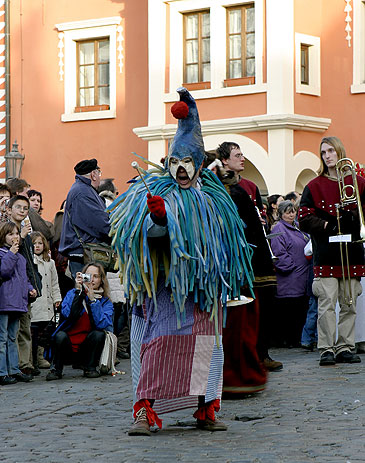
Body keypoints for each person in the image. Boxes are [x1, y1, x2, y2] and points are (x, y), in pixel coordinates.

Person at [109, 87, 254, 436]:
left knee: (207, 349)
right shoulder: (159, 194)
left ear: (199, 165)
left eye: (186, 162)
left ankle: (206, 409)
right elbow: (142, 238)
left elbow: (224, 242)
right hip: (163, 293)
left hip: (202, 294)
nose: (180, 170)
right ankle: (145, 411)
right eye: (174, 163)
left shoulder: (214, 201)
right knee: (157, 347)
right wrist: (159, 223)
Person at [299, 136, 365, 366]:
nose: (327, 156)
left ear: (339, 151)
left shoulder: (357, 182)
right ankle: (326, 348)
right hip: (326, 251)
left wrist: (353, 217)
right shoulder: (314, 185)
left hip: (352, 251)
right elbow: (304, 218)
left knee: (349, 303)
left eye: (330, 151)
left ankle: (346, 346)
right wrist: (328, 225)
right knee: (327, 303)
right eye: (323, 152)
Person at [216, 142, 282, 372]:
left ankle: (262, 353)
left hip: (259, 250)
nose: (242, 159)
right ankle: (248, 355)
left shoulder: (251, 186)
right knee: (245, 308)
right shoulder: (219, 185)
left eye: (242, 154)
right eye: (237, 155)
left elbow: (257, 216)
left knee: (265, 304)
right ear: (224, 160)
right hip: (240, 257)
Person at [46, 262, 113, 381]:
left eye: (96, 276)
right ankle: (56, 369)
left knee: (99, 334)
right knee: (60, 335)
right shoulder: (73, 293)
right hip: (68, 344)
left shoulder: (105, 301)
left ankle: (90, 367)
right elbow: (66, 313)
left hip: (87, 346)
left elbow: (103, 324)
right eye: (88, 275)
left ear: (101, 280)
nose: (91, 280)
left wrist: (93, 301)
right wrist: (78, 291)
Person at [7, 195, 42, 376]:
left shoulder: (27, 233)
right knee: (15, 330)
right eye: (18, 207)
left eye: (25, 208)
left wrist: (34, 283)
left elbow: (29, 262)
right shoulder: (8, 230)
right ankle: (17, 365)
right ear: (9, 209)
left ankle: (26, 363)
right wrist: (19, 236)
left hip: (26, 284)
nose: (22, 211)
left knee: (26, 326)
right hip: (11, 287)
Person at [59, 159, 111, 278]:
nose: (99, 177)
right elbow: (101, 224)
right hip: (85, 255)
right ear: (93, 174)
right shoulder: (83, 192)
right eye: (99, 173)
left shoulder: (82, 189)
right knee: (88, 292)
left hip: (84, 254)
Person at [270, 201, 310, 347]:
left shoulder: (298, 227)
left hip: (302, 275)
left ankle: (297, 338)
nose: (291, 214)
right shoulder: (279, 229)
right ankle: (289, 340)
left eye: (293, 211)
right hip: (290, 278)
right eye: (287, 212)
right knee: (289, 312)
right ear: (281, 214)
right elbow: (279, 253)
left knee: (299, 310)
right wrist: (291, 267)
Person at [0, 222, 35, 384]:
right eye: (10, 234)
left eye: (16, 234)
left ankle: (14, 369)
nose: (14, 237)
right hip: (4, 301)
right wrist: (11, 254)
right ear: (3, 237)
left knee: (12, 337)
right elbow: (4, 271)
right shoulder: (2, 253)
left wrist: (30, 288)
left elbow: (23, 278)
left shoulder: (20, 257)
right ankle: (2, 372)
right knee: (2, 338)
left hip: (17, 302)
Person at [30, 231, 62, 373]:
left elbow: (54, 283)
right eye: (34, 243)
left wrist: (57, 298)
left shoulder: (50, 262)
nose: (37, 246)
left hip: (48, 304)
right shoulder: (30, 261)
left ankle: (42, 356)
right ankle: (33, 359)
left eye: (40, 243)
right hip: (35, 304)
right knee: (33, 333)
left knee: (46, 332)